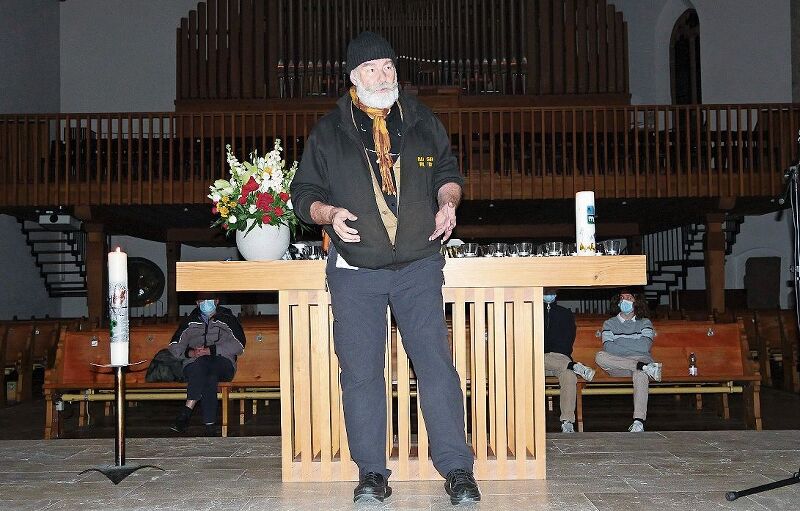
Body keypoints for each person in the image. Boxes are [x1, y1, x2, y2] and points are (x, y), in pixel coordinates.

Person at [290, 31, 479, 505]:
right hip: (356, 270)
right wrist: (329, 215)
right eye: (373, 68)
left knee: (436, 367)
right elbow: (303, 197)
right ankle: (371, 472)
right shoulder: (328, 132)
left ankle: (457, 470)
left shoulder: (421, 121)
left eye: (390, 67)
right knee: (361, 374)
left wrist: (448, 204)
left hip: (418, 265)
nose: (384, 75)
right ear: (354, 76)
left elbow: (448, 175)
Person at [168, 294, 245, 436]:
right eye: (202, 300)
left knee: (206, 364)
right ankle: (210, 427)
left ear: (217, 301)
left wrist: (211, 350)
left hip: (223, 363)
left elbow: (239, 345)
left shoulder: (228, 319)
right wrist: (191, 353)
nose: (206, 303)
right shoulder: (190, 322)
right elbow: (174, 346)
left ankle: (186, 412)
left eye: (209, 300)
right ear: (197, 303)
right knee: (209, 375)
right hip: (194, 364)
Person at [595, 289, 662, 432]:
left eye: (629, 298)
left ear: (636, 301)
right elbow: (608, 348)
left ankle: (638, 422)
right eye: (622, 298)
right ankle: (642, 366)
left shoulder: (645, 322)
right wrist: (634, 354)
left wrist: (619, 343)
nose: (625, 301)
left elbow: (645, 346)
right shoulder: (609, 323)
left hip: (638, 359)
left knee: (640, 374)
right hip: (620, 366)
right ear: (618, 302)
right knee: (600, 356)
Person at [542, 289, 595, 433]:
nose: (548, 294)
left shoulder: (565, 313)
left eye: (551, 291)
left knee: (569, 376)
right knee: (535, 358)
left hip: (560, 357)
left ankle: (567, 421)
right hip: (538, 359)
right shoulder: (531, 311)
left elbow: (567, 340)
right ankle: (574, 366)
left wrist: (554, 352)